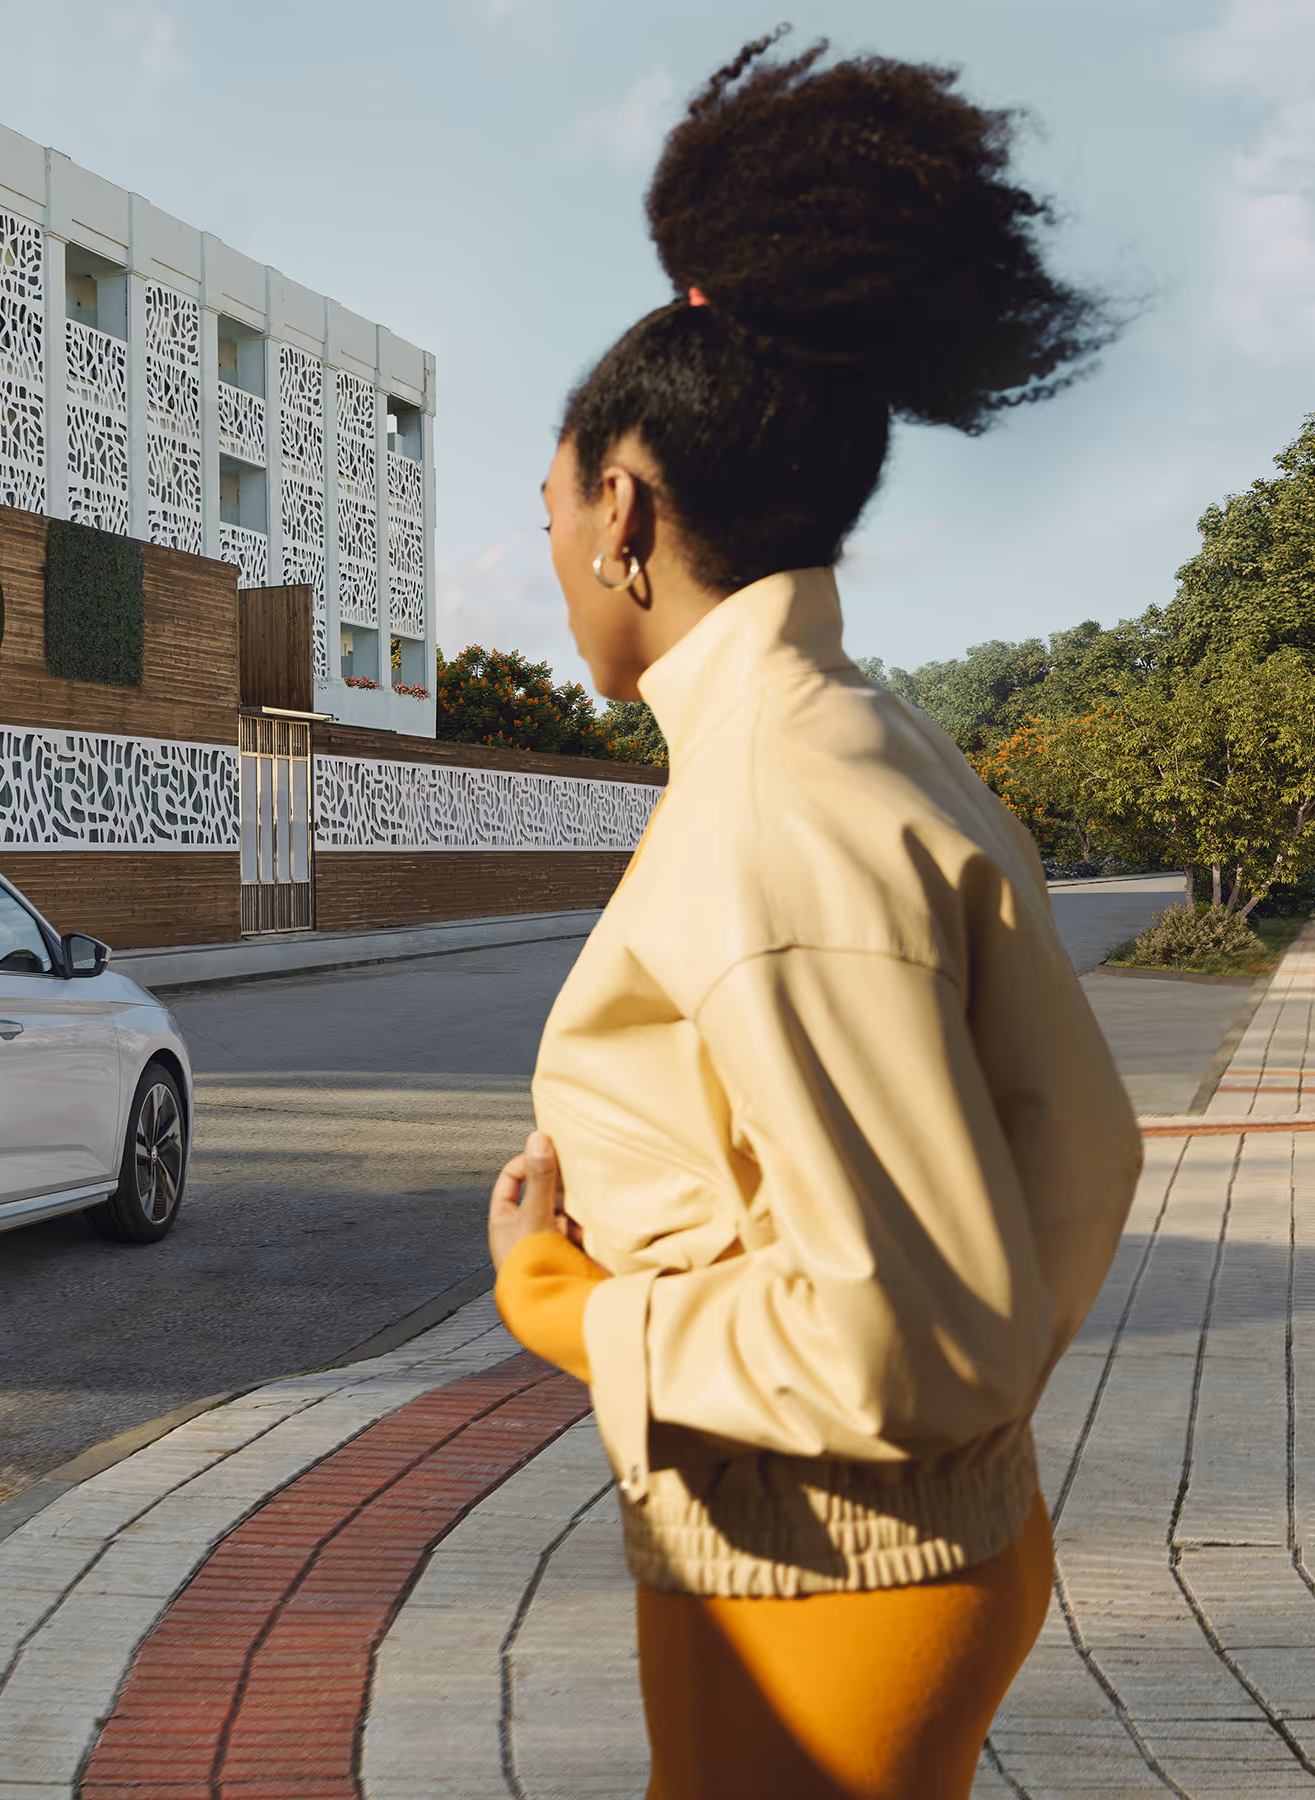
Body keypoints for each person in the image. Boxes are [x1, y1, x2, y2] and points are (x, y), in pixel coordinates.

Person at [483, 34, 1137, 1800]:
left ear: (622, 509)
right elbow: (1078, 1153)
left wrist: (568, 1310)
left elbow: (905, 1332)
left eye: (545, 511)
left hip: (830, 1578)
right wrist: (967, 1405)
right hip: (865, 1552)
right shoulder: (865, 743)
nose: (548, 553)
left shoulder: (769, 811)